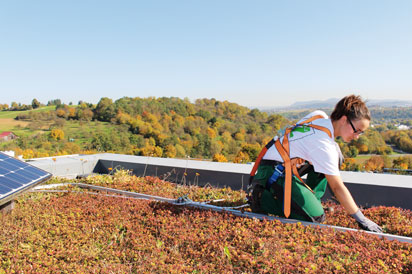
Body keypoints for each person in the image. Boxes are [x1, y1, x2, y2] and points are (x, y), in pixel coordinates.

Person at [248, 95, 382, 232]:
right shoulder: (324, 145)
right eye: (357, 130)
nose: (357, 136)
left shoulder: (319, 116)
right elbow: (337, 187)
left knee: (334, 158)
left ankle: (310, 201)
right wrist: (362, 219)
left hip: (279, 165)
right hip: (273, 172)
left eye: (361, 132)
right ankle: (261, 199)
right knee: (316, 218)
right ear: (344, 120)